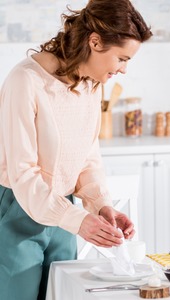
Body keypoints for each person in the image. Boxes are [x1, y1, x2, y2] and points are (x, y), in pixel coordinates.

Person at [0, 1, 152, 299]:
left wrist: (100, 205)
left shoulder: (91, 85)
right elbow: (23, 174)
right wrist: (76, 219)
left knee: (63, 294)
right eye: (122, 58)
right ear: (95, 42)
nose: (123, 69)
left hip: (63, 212)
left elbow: (86, 156)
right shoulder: (25, 81)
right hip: (18, 211)